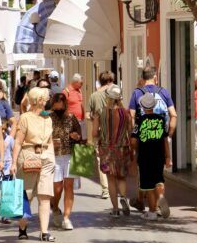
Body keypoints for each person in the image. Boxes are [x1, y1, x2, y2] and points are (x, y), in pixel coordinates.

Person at [11, 86, 56, 242]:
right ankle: (22, 227)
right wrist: (13, 162)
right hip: (29, 155)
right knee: (27, 195)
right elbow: (18, 141)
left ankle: (44, 232)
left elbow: (50, 140)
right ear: (38, 100)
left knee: (45, 196)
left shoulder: (48, 118)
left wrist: (51, 157)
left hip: (46, 157)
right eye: (45, 97)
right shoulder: (25, 118)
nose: (48, 99)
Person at [94, 84, 134, 217]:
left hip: (106, 148)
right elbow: (130, 130)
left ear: (108, 97)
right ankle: (123, 196)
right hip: (122, 148)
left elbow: (94, 132)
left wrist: (100, 134)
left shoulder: (100, 112)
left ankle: (115, 209)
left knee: (111, 179)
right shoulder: (126, 112)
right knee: (121, 176)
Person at [132, 91, 172, 219]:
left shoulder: (139, 121)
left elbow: (133, 141)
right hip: (159, 154)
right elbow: (165, 140)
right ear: (154, 105)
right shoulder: (161, 120)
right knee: (159, 179)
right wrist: (168, 157)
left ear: (142, 106)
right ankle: (160, 196)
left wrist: (135, 150)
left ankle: (152, 211)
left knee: (148, 184)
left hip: (144, 155)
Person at [48, 91, 83, 230]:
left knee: (69, 187)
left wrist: (76, 136)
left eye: (61, 105)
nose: (58, 108)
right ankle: (55, 208)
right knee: (57, 188)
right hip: (54, 156)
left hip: (70, 154)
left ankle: (67, 218)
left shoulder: (71, 117)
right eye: (56, 106)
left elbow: (79, 134)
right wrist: (50, 141)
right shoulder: (48, 118)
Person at [129, 66, 178, 140]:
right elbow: (173, 115)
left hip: (143, 138)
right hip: (160, 137)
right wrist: (169, 136)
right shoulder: (164, 92)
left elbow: (131, 116)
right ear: (155, 78)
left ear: (143, 79)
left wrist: (134, 135)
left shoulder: (137, 93)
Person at [88, 70, 115, 199]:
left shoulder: (94, 95)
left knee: (101, 159)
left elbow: (91, 114)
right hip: (115, 131)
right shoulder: (116, 93)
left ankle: (105, 190)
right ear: (111, 80)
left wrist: (93, 118)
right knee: (115, 158)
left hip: (99, 131)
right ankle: (115, 186)